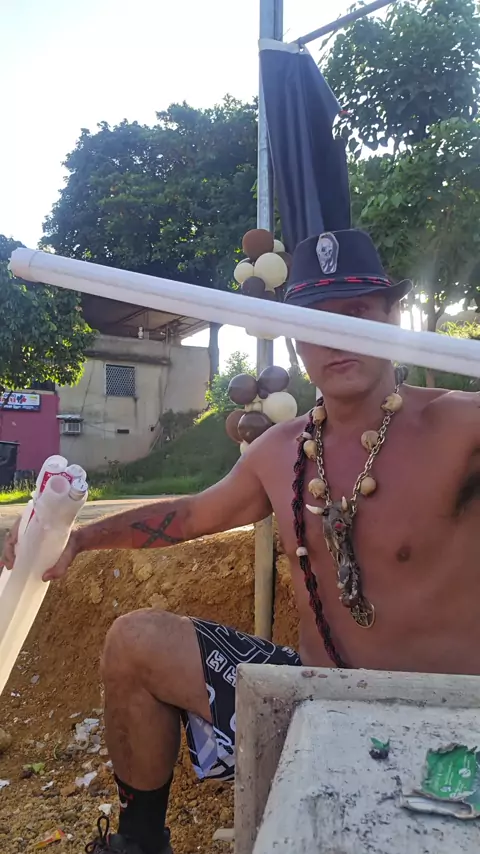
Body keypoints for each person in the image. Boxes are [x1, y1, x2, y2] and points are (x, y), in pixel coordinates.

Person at [2, 230, 479, 854]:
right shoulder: (280, 450)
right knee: (136, 643)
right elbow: (189, 515)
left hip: (447, 718)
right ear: (295, 338)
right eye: (317, 321)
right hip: (313, 697)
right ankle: (139, 844)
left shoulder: (460, 427)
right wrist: (80, 538)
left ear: (392, 318)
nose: (338, 337)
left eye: (358, 313)